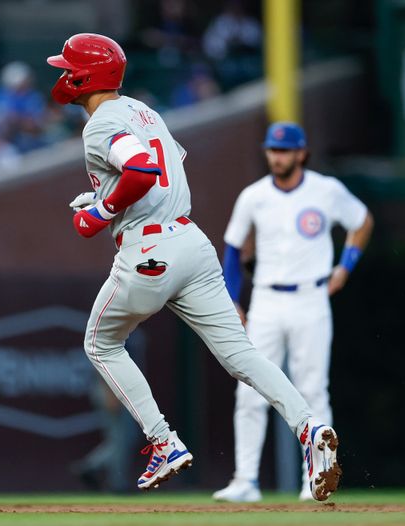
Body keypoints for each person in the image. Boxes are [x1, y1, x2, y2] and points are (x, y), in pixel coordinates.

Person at [46, 33, 342, 500]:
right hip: (191, 240)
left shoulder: (100, 123)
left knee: (100, 343)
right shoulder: (145, 111)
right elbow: (170, 162)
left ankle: (163, 441)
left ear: (87, 75)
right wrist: (108, 197)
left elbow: (141, 171)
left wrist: (101, 212)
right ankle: (309, 429)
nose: (62, 75)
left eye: (68, 67)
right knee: (241, 356)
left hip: (149, 251)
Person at [213, 122, 374, 502]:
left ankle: (314, 481)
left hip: (311, 297)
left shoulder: (325, 190)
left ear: (302, 153)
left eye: (284, 150)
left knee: (313, 389)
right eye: (272, 149)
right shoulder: (253, 196)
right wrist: (233, 299)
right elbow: (233, 249)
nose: (277, 156)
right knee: (250, 390)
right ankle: (245, 480)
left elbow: (361, 221)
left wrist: (345, 266)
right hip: (267, 299)